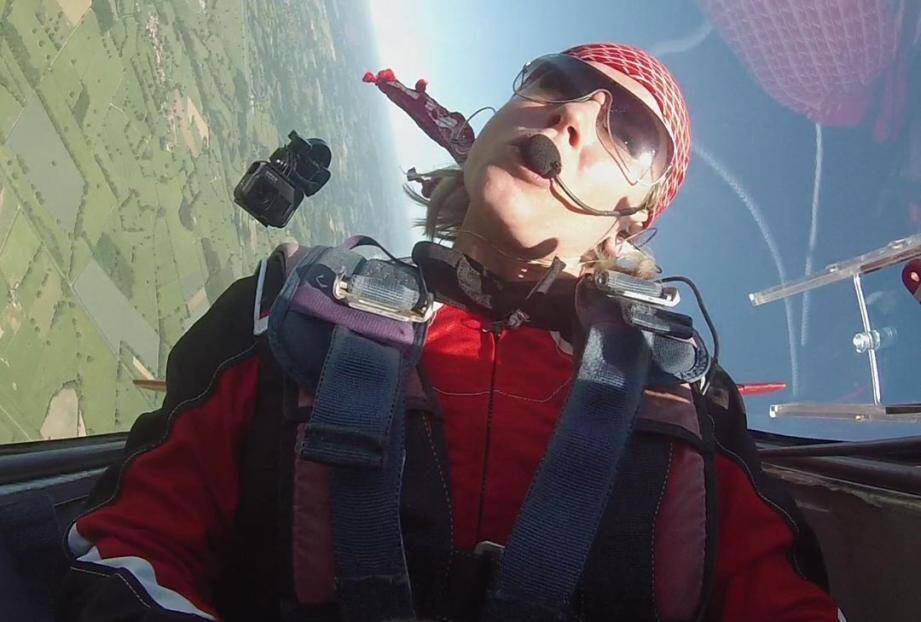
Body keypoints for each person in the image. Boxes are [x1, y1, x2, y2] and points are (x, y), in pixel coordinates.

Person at [56, 43, 841, 621]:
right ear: (497, 117)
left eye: (627, 133)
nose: (569, 114)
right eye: (554, 83)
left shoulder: (686, 406)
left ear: (629, 220)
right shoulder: (295, 305)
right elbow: (131, 545)